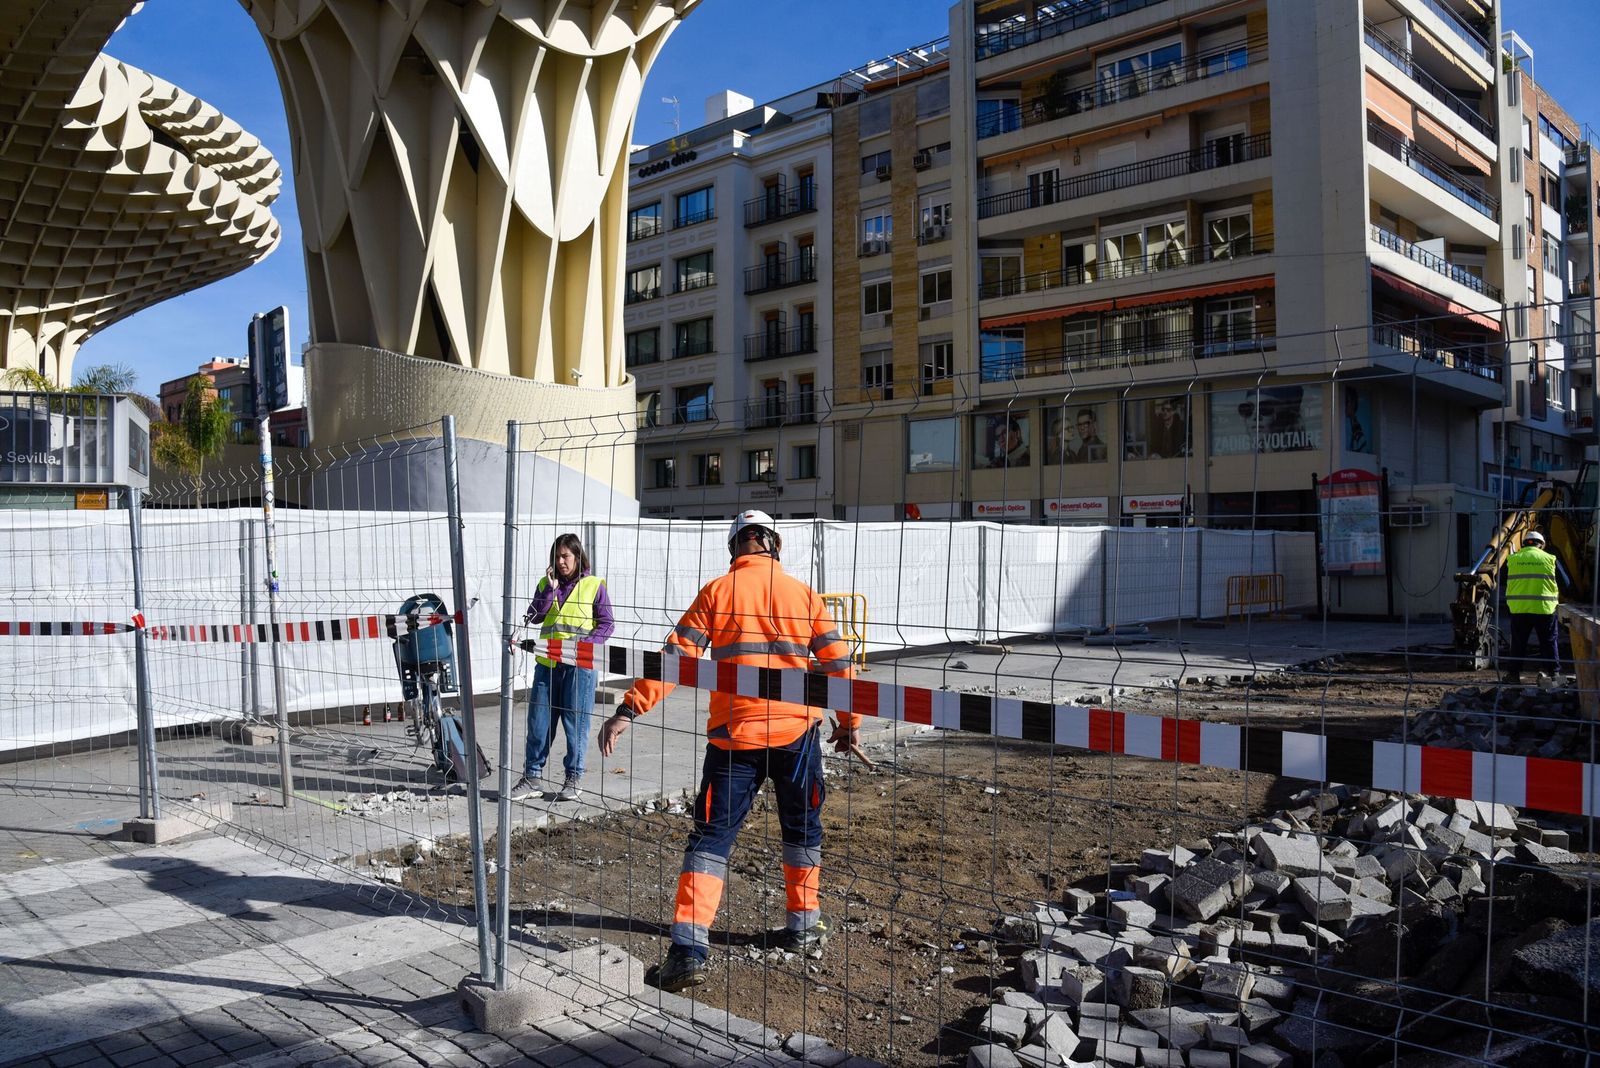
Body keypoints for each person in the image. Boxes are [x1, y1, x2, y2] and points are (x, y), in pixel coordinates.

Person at [597, 510, 859, 992]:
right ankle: (804, 926)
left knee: (711, 839)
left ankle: (690, 951)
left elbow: (675, 660)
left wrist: (629, 709)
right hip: (797, 736)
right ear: (773, 544)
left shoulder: (718, 592)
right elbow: (839, 663)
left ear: (735, 546)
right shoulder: (804, 595)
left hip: (734, 739)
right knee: (802, 831)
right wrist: (849, 723)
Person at [508, 534, 613, 802]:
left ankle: (573, 777)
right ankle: (532, 778)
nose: (560, 561)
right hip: (547, 665)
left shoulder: (594, 585)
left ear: (578, 557)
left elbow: (606, 624)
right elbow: (535, 616)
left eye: (565, 556)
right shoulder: (546, 583)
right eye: (556, 556)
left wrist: (585, 646)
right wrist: (550, 589)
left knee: (575, 723)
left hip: (579, 667)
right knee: (539, 723)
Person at [1503, 530, 1558, 683]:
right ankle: (1554, 675)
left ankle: (1513, 675)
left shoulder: (1513, 559)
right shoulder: (1549, 558)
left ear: (1525, 543)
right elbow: (1566, 583)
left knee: (1518, 643)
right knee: (1548, 642)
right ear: (1541, 545)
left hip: (1519, 609)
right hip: (1544, 608)